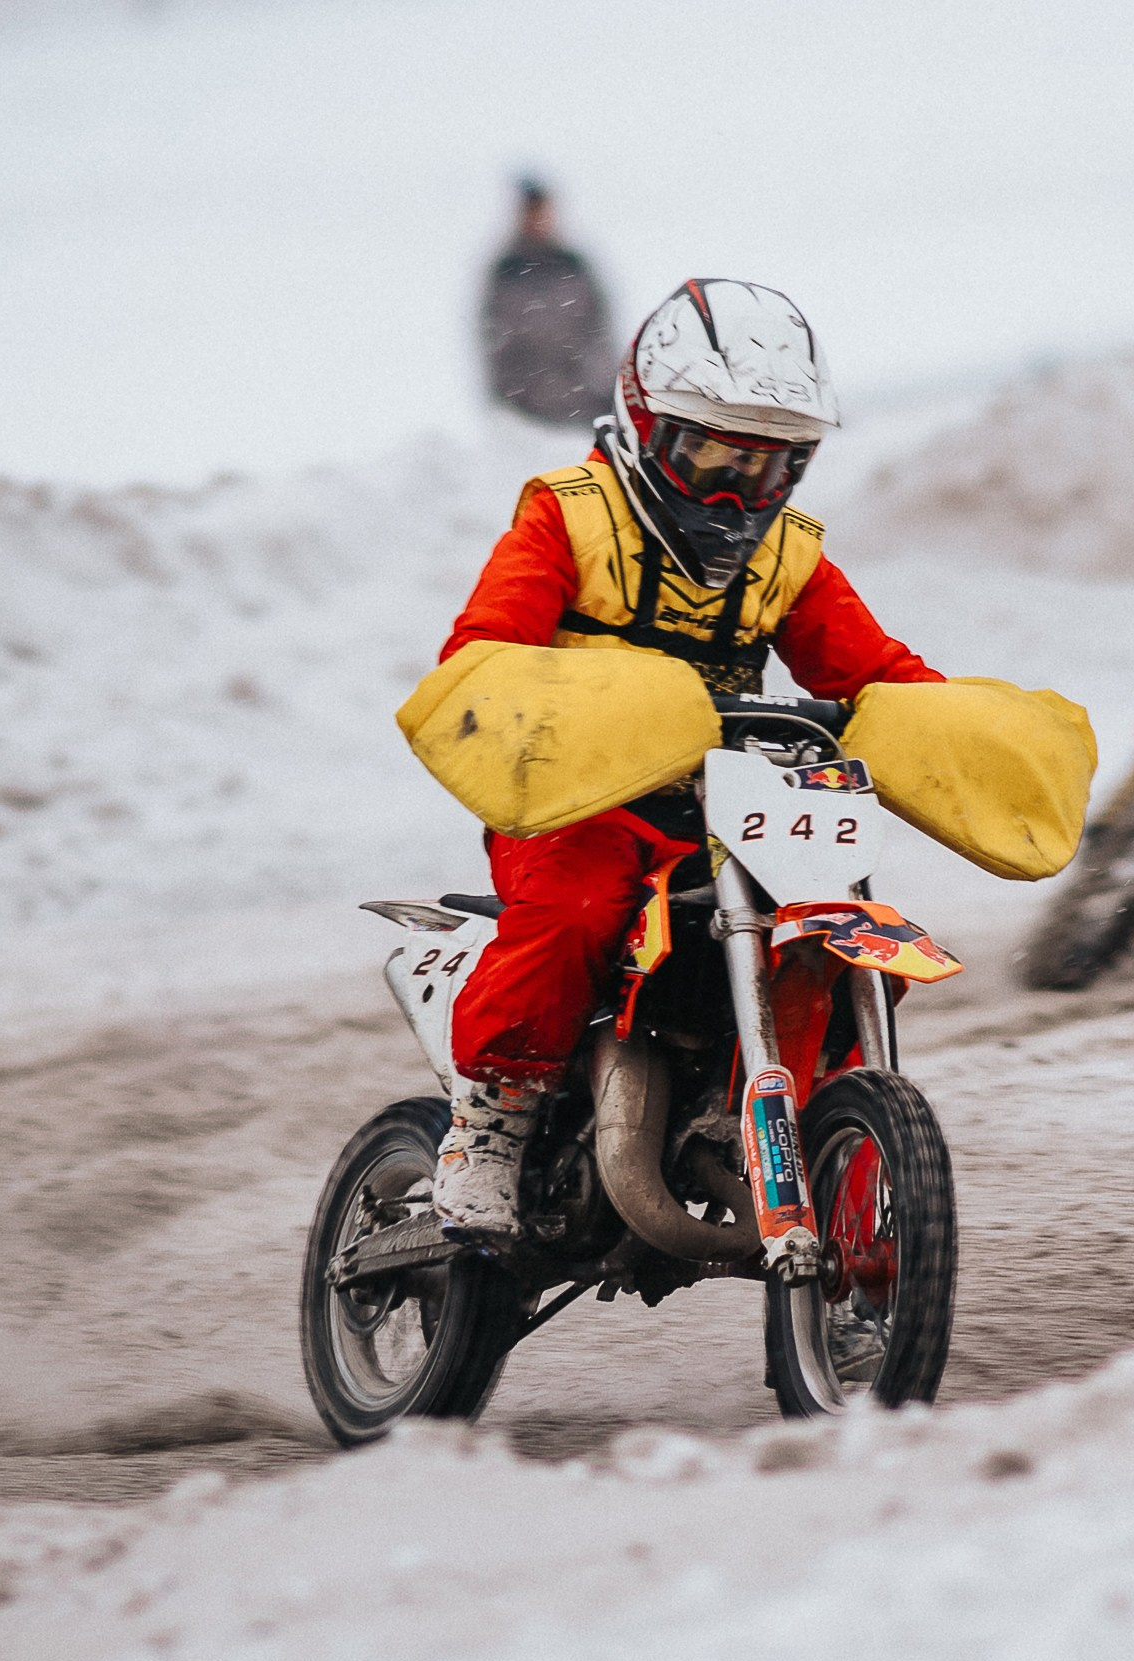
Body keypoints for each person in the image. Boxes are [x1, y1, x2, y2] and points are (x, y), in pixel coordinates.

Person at [428, 278, 942, 1246]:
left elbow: (876, 670)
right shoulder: (570, 516)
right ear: (644, 422)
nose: (735, 491)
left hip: (729, 811)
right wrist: (544, 695)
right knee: (574, 911)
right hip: (578, 801)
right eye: (710, 454)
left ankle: (789, 1120)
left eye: (766, 464)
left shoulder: (786, 556)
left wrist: (944, 721)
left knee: (834, 929)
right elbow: (483, 650)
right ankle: (491, 1124)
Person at [478, 178, 614, 427]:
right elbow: (494, 343)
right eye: (531, 212)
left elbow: (601, 335)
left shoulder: (574, 266)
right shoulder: (506, 272)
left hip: (583, 407)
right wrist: (508, 403)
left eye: (542, 211)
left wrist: (603, 387)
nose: (538, 220)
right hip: (526, 414)